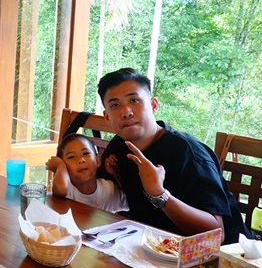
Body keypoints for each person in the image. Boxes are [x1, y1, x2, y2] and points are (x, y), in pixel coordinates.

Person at [97, 68, 249, 244]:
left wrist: (159, 194)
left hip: (220, 259)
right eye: (115, 105)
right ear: (107, 117)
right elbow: (97, 197)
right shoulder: (118, 147)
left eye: (134, 100)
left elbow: (216, 234)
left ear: (153, 105)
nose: (126, 112)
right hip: (149, 246)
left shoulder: (189, 154)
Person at [46, 133, 128, 213]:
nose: (81, 160)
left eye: (86, 153)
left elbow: (132, 203)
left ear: (98, 160)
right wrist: (59, 166)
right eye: (71, 157)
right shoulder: (68, 188)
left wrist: (117, 174)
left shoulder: (108, 190)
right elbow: (61, 189)